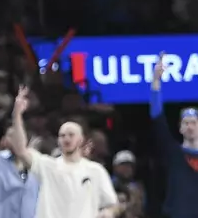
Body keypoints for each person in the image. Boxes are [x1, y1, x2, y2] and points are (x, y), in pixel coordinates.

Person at [9, 86, 119, 218]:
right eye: (62, 135)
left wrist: (109, 213)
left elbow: (113, 204)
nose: (66, 138)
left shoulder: (95, 170)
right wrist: (17, 114)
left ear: (81, 140)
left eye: (71, 135)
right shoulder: (47, 166)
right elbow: (21, 150)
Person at [149, 53, 198, 218]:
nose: (190, 126)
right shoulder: (174, 154)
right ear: (180, 128)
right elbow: (157, 117)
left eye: (194, 122)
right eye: (185, 122)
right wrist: (156, 82)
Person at [0, 85, 39, 218]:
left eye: (19, 134)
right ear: (4, 140)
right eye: (11, 135)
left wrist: (18, 114)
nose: (16, 138)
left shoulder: (37, 168)